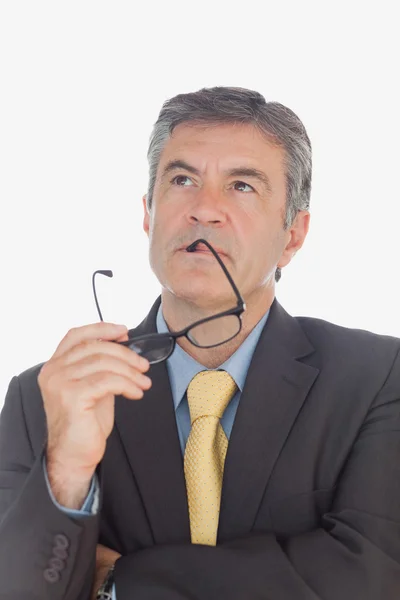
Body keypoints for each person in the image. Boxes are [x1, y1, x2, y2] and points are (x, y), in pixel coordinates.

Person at [0, 86, 399, 600]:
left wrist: (118, 583)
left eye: (242, 186)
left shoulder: (377, 379)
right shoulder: (47, 396)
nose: (205, 210)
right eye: (182, 180)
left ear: (293, 236)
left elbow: (372, 579)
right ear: (148, 214)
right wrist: (66, 472)